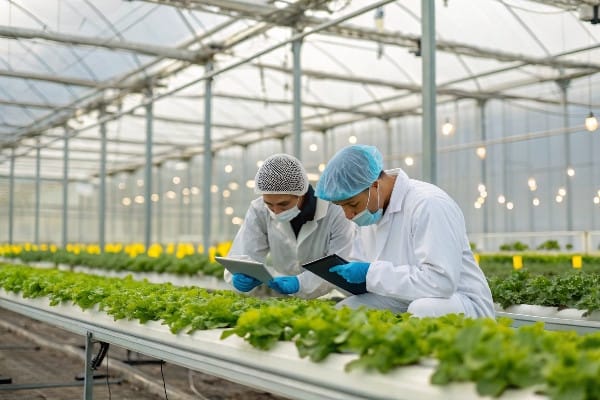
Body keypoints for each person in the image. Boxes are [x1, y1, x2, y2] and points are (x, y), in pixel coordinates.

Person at [315, 144, 495, 318]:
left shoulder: (428, 204)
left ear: (375, 185)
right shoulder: (370, 214)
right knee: (346, 309)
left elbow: (441, 282)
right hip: (404, 298)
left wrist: (371, 273)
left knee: (422, 310)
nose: (348, 215)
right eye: (341, 207)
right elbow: (364, 266)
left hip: (459, 299)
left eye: (352, 204)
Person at [225, 153, 359, 299]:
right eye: (269, 204)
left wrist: (300, 283)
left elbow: (340, 262)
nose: (275, 211)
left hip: (331, 295)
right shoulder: (259, 210)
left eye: (283, 204)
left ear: (302, 193)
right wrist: (239, 275)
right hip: (285, 296)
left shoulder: (335, 210)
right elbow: (244, 253)